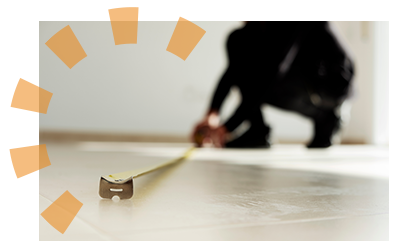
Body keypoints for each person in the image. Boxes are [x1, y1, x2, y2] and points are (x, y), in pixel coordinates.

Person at [191, 21, 355, 148]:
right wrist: (212, 114)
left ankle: (328, 118)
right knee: (238, 40)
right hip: (301, 82)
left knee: (260, 68)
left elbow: (272, 75)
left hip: (332, 86)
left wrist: (227, 127)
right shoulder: (255, 29)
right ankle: (257, 130)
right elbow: (233, 71)